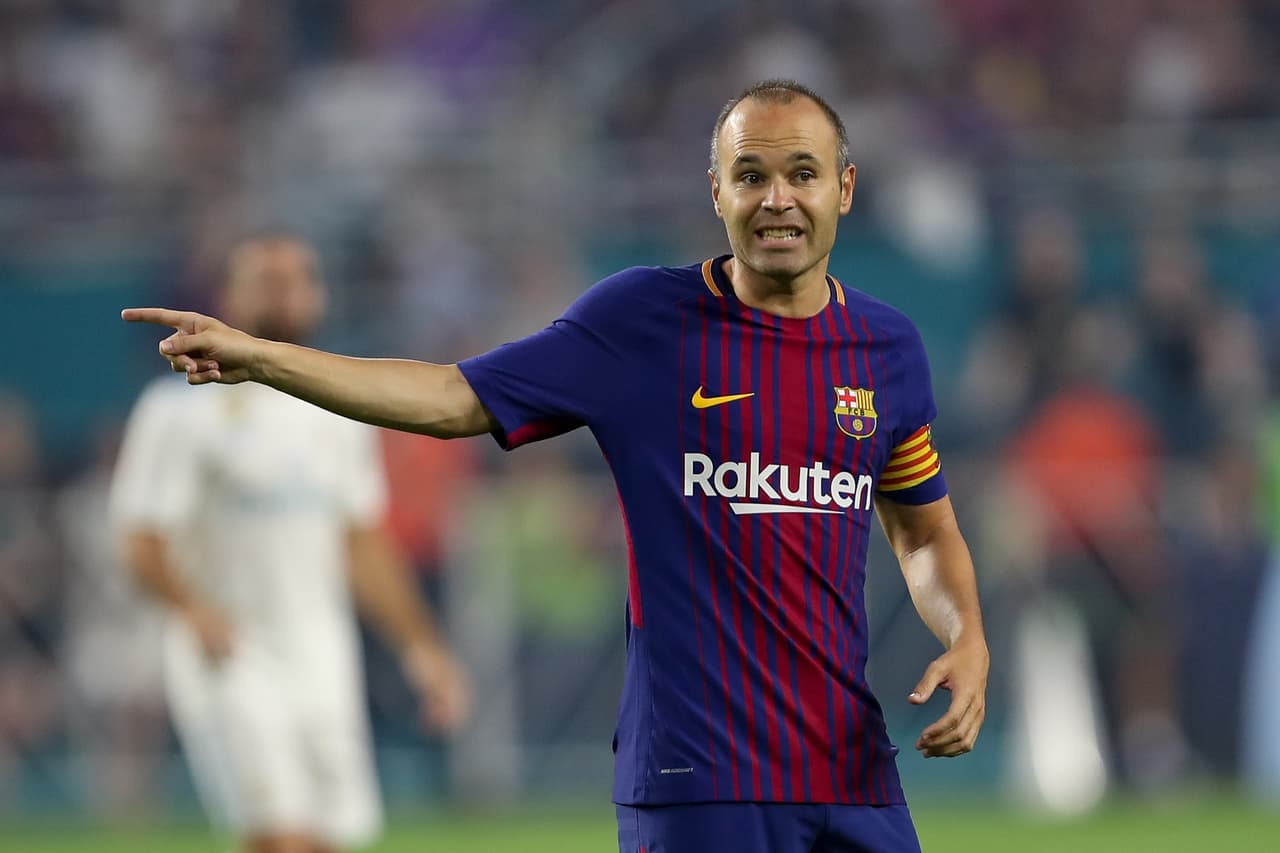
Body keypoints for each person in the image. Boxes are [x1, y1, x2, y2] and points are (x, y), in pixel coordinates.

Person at [123, 81, 989, 853]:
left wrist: (967, 636)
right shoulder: (643, 322)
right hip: (700, 781)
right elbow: (452, 397)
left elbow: (923, 528)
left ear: (844, 187)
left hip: (850, 771)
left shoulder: (887, 350)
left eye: (802, 173)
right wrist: (267, 358)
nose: (777, 199)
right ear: (715, 190)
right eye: (751, 174)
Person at [110, 235, 471, 853]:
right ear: (232, 294)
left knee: (336, 836)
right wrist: (193, 608)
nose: (285, 291)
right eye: (266, 278)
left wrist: (422, 648)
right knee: (277, 837)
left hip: (321, 653)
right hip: (233, 656)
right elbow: (140, 539)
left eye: (299, 277)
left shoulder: (336, 410)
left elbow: (362, 541)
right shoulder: (177, 410)